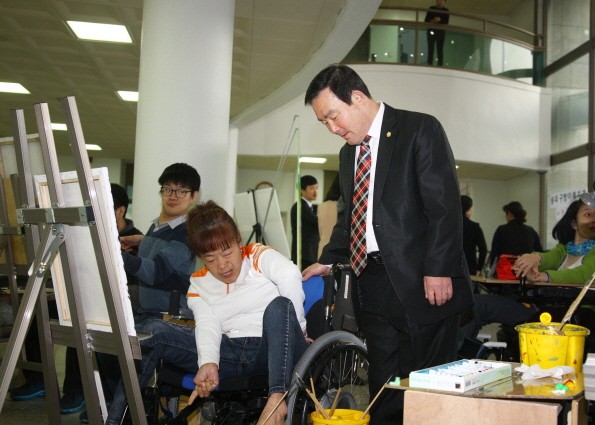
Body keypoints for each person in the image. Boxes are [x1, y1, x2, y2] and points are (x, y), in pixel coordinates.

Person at [302, 64, 473, 425]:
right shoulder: (349, 154)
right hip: (373, 282)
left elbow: (444, 208)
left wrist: (439, 269)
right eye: (324, 123)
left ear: (358, 98)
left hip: (423, 282)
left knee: (426, 386)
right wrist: (328, 260)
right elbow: (351, 216)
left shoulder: (419, 129)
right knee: (384, 386)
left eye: (333, 116)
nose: (332, 128)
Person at [106, 201, 309, 425]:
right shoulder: (199, 283)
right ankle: (116, 421)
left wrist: (298, 329)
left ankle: (277, 399)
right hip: (230, 351)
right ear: (200, 257)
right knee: (151, 331)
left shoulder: (258, 255)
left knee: (279, 305)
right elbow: (207, 324)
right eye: (210, 259)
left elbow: (290, 275)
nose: (222, 265)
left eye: (227, 252)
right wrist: (209, 363)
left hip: (273, 350)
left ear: (238, 242)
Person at [461, 198, 595, 340]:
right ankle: (461, 355)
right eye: (588, 214)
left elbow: (584, 274)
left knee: (479, 305)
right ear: (573, 223)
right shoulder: (563, 248)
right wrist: (534, 258)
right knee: (474, 304)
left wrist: (544, 276)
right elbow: (548, 257)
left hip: (571, 315)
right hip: (540, 307)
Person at [119, 162, 200, 322]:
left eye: (182, 191)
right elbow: (166, 248)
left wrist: (115, 254)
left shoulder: (187, 234)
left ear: (194, 196)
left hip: (168, 320)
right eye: (168, 189)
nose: (173, 196)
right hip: (147, 313)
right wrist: (143, 241)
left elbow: (155, 272)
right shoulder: (157, 226)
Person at [489, 201, 543, 275]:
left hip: (506, 271)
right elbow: (540, 252)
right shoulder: (531, 230)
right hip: (526, 271)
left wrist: (493, 270)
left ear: (509, 213)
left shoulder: (502, 229)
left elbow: (494, 253)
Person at [290, 175, 320, 269]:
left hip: (310, 254)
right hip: (305, 255)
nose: (315, 191)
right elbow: (317, 222)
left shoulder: (310, 207)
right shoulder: (300, 206)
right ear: (302, 190)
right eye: (311, 188)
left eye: (317, 188)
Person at [461, 195, 487, 277]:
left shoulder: (449, 226)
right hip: (469, 266)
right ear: (468, 210)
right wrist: (479, 268)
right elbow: (483, 249)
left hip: (451, 266)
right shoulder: (474, 227)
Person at [317, 174, 341, 258]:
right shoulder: (348, 206)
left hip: (323, 249)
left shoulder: (322, 206)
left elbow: (321, 232)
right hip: (340, 251)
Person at [424, 0, 449, 66]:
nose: (441, 1)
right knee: (431, 48)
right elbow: (426, 20)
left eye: (443, 0)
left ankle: (440, 65)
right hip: (432, 31)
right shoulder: (432, 8)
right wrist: (433, 21)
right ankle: (430, 64)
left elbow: (446, 22)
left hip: (440, 32)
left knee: (440, 49)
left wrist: (439, 20)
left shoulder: (446, 10)